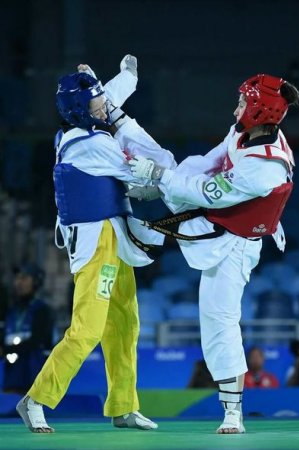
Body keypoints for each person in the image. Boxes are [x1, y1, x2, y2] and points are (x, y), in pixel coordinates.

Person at [127, 73, 299, 433]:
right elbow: (209, 162)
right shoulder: (246, 131)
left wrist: (162, 179)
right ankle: (118, 119)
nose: (236, 107)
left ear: (259, 111)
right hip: (220, 224)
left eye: (242, 102)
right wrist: (163, 182)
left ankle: (233, 413)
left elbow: (208, 192)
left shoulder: (264, 168)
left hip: (237, 243)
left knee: (220, 319)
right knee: (183, 165)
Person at [16, 55, 176, 433]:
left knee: (125, 323)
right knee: (88, 328)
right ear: (81, 111)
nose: (104, 109)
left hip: (114, 236)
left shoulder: (82, 125)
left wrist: (121, 79)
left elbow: (102, 103)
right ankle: (35, 398)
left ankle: (123, 406)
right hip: (97, 242)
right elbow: (156, 161)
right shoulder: (90, 145)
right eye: (96, 105)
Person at [0, 263, 54, 394]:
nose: (19, 282)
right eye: (17, 278)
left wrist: (6, 350)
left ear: (35, 282)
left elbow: (38, 341)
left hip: (33, 374)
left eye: (24, 278)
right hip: (11, 375)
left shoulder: (42, 310)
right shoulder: (10, 310)